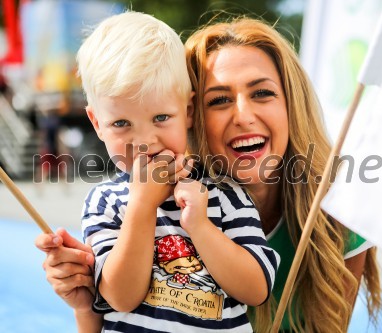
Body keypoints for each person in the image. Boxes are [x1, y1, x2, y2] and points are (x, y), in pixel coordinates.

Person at [36, 15, 382, 333]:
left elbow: (321, 322)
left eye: (262, 93)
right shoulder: (120, 203)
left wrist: (201, 226)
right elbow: (119, 304)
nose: (244, 115)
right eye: (219, 100)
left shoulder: (337, 215)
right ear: (195, 115)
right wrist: (85, 309)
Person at [52, 11, 279, 332]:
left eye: (160, 118)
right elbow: (120, 297)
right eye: (121, 123)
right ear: (97, 123)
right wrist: (142, 205)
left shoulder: (227, 194)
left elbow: (257, 290)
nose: (145, 141)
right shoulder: (106, 202)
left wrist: (200, 226)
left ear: (187, 110)